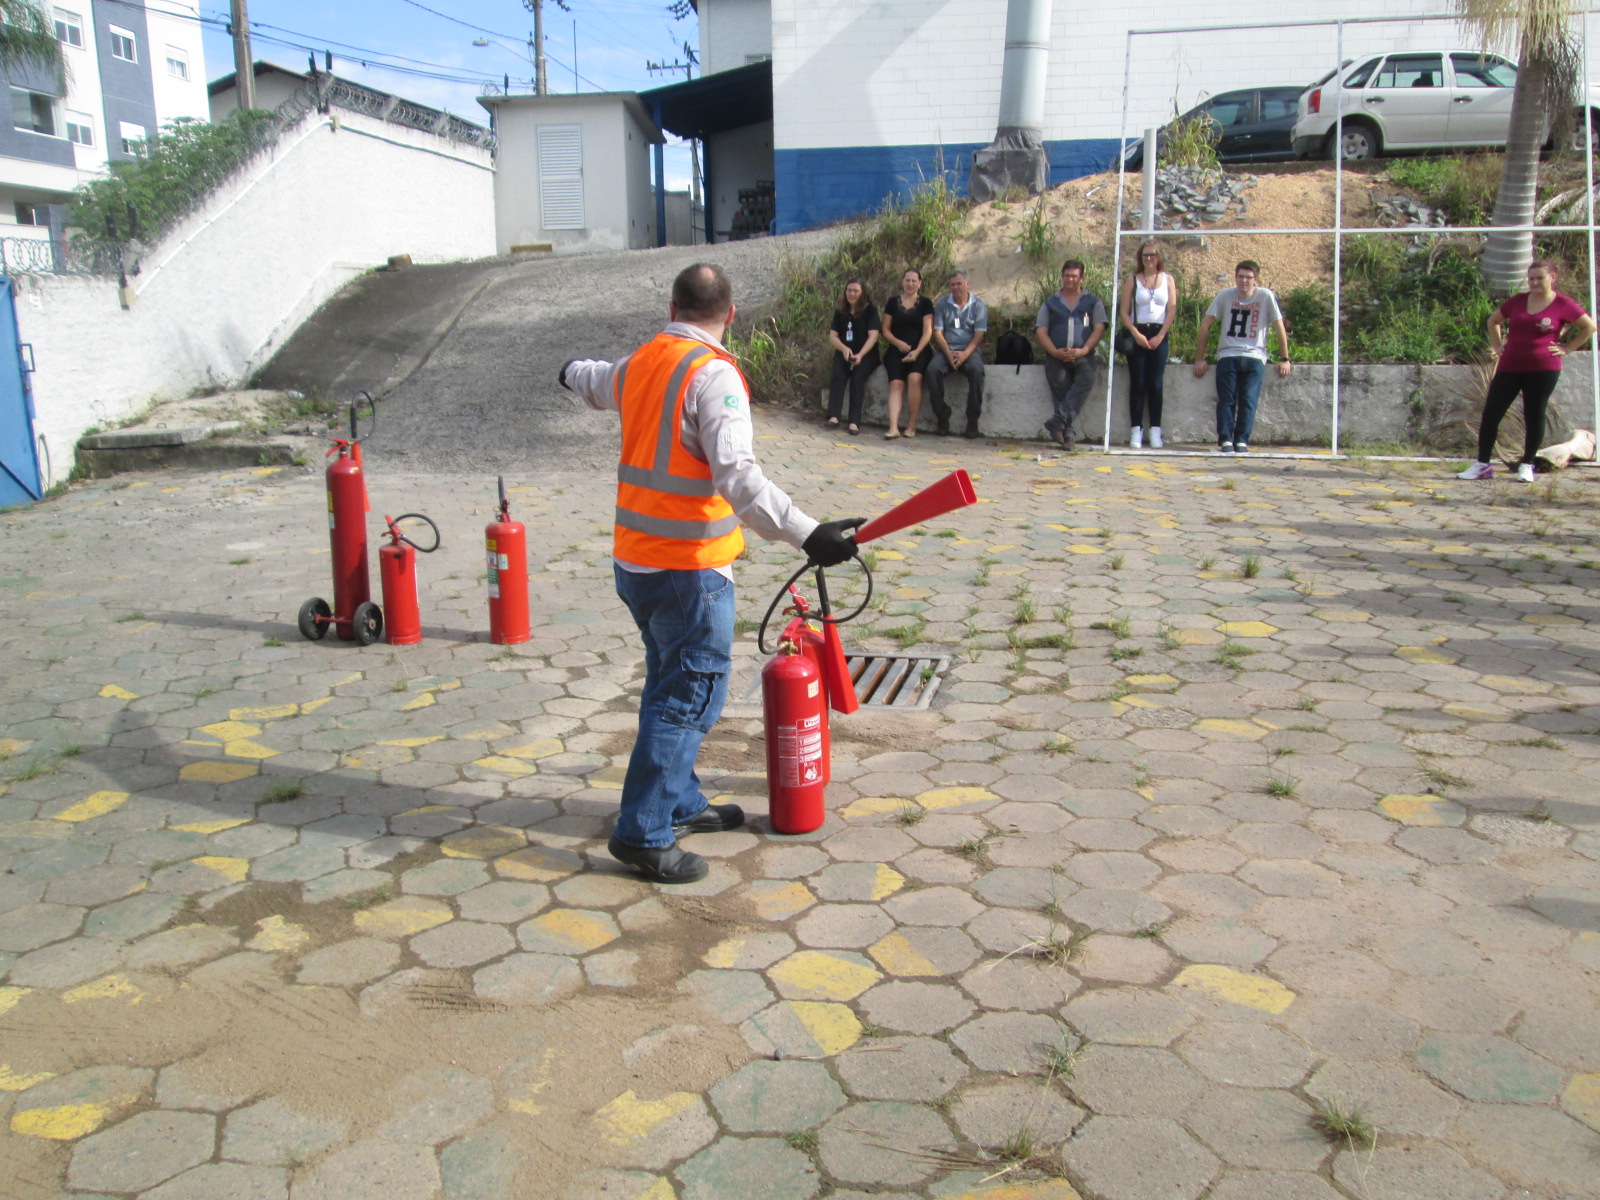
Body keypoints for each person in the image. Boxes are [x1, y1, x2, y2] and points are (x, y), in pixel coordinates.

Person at [561, 264, 864, 884]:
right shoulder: (713, 374)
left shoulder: (644, 360)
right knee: (688, 693)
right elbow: (740, 479)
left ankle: (679, 801)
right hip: (687, 571)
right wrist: (810, 532)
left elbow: (593, 380)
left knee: (669, 682)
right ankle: (643, 832)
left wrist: (565, 372)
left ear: (671, 306)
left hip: (637, 565)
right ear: (730, 315)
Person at [1459, 259, 1595, 482]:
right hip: (1509, 367)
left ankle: (1527, 464)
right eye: (1531, 278)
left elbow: (1589, 327)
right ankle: (1482, 465)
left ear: (1553, 277)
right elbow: (1493, 320)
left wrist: (1567, 348)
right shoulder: (1518, 301)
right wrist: (1497, 345)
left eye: (1539, 277)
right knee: (1492, 413)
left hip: (1543, 369)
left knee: (1534, 414)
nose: (1534, 282)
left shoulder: (1563, 303)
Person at [1194, 260, 1292, 453]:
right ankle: (1225, 439)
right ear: (1235, 277)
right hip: (1228, 353)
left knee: (1248, 399)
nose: (1244, 281)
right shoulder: (1225, 296)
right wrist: (1199, 357)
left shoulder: (1265, 296)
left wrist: (1284, 358)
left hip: (1255, 355)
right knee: (1227, 399)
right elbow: (1205, 325)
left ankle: (1242, 439)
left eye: (1248, 277)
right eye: (1240, 276)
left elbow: (1279, 326)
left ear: (1256, 279)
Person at [1035, 259, 1108, 450]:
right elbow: (1041, 330)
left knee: (1087, 380)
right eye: (1067, 275)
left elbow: (1099, 328)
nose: (1070, 279)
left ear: (1081, 278)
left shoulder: (1092, 302)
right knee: (1061, 392)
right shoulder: (1050, 303)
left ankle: (1057, 422)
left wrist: (1084, 350)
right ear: (1062, 276)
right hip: (1056, 355)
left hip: (1083, 355)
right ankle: (1068, 436)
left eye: (1074, 276)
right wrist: (1054, 352)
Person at [1118, 241, 1176, 449]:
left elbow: (1171, 309)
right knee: (1138, 382)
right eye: (1145, 256)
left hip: (1159, 332)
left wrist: (1161, 334)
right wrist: (1136, 333)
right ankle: (1136, 430)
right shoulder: (1133, 280)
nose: (1149, 259)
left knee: (1156, 384)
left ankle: (1155, 430)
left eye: (1152, 255)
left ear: (1159, 257)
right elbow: (1124, 311)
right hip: (1138, 332)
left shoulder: (1167, 279)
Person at [926, 269, 989, 438]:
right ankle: (942, 416)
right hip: (947, 349)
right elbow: (938, 333)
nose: (955, 287)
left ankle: (972, 421)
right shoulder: (942, 305)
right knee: (932, 370)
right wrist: (949, 354)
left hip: (969, 350)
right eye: (952, 284)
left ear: (967, 284)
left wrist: (964, 354)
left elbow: (979, 335)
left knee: (977, 372)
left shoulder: (978, 305)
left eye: (959, 284)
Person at [880, 268, 934, 439]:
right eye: (907, 280)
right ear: (902, 282)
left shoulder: (925, 303)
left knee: (914, 379)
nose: (910, 284)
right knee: (896, 384)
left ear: (920, 283)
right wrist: (897, 343)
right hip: (896, 350)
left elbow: (928, 331)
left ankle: (911, 425)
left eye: (914, 281)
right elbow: (885, 330)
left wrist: (917, 351)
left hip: (920, 351)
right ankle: (893, 427)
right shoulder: (892, 302)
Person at [825, 278, 880, 435]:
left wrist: (861, 354)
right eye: (849, 290)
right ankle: (834, 415)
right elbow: (833, 337)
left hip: (866, 353)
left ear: (862, 293)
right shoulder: (840, 311)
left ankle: (854, 421)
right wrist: (843, 349)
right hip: (845, 351)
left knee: (858, 377)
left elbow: (873, 337)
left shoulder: (871, 311)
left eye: (856, 290)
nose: (852, 293)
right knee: (839, 374)